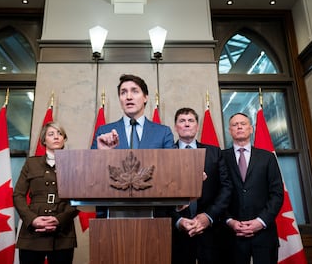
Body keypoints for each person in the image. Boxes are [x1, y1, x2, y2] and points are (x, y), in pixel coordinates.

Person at [171, 107, 232, 264]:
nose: (186, 124)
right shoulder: (166, 153)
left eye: (191, 120)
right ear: (175, 126)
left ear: (197, 126)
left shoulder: (214, 152)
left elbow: (226, 188)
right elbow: (158, 193)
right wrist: (178, 220)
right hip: (176, 233)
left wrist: (208, 216)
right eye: (182, 121)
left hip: (211, 231)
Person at [221, 112, 284, 264]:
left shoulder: (267, 157)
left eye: (243, 123)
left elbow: (277, 194)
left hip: (264, 234)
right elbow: (217, 194)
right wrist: (229, 221)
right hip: (231, 235)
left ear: (251, 128)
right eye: (235, 125)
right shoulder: (220, 158)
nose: (239, 127)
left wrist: (260, 221)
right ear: (230, 131)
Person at [13, 122, 79, 264]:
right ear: (44, 140)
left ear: (64, 139)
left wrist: (59, 219)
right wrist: (32, 219)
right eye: (51, 134)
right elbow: (18, 195)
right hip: (32, 233)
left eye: (60, 134)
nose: (56, 137)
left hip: (62, 233)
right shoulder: (31, 164)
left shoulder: (74, 164)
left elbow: (78, 198)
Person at [91, 73, 174, 150]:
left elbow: (171, 164)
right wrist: (101, 154)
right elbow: (90, 164)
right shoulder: (103, 132)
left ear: (145, 97)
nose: (129, 97)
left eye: (135, 91)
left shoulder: (163, 133)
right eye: (123, 92)